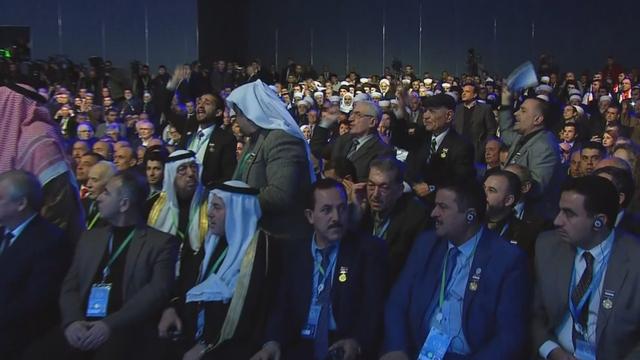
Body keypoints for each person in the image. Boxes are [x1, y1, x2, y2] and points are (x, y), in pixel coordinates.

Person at [381, 180, 530, 359]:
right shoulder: (427, 243)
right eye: (435, 205)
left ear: (470, 216)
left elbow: (509, 337)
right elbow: (398, 301)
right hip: (417, 351)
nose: (434, 213)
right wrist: (397, 348)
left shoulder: (507, 260)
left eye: (442, 207)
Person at [251, 179, 387, 360]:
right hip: (298, 344)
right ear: (310, 216)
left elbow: (373, 309)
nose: (336, 218)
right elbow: (281, 304)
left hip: (341, 346)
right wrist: (271, 343)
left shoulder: (367, 251)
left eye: (341, 208)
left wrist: (357, 341)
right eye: (326, 210)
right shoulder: (295, 252)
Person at [50, 170, 177, 359]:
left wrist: (109, 324)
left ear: (124, 204)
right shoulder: (89, 238)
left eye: (106, 193)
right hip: (81, 324)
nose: (99, 198)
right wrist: (72, 321)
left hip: (124, 329)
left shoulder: (160, 243)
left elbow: (156, 291)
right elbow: (70, 285)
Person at [157, 181, 274, 359]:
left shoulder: (259, 251)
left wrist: (206, 345)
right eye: (211, 206)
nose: (209, 213)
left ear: (237, 212)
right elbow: (187, 280)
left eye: (217, 207)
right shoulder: (213, 242)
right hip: (191, 337)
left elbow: (251, 315)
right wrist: (171, 308)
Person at [532, 176, 640, 359]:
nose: (557, 221)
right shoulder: (547, 246)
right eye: (559, 210)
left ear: (599, 221)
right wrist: (551, 350)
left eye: (569, 213)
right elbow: (534, 314)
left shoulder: (634, 260)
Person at [226, 79, 314, 239]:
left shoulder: (280, 139)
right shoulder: (254, 140)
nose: (237, 121)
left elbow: (281, 195)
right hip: (252, 231)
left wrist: (236, 201)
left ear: (249, 112)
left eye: (238, 115)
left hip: (277, 237)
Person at [0, 83, 84, 243]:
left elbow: (57, 201)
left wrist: (29, 241)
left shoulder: (40, 137)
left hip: (41, 242)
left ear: (11, 104)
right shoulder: (15, 137)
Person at [0, 170, 71, 360]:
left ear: (21, 203)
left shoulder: (49, 240)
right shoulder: (3, 231)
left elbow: (38, 299)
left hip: (22, 339)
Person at [356, 156, 431, 283]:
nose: (375, 195)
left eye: (384, 187)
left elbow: (404, 268)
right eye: (371, 185)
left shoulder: (416, 217)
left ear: (399, 190)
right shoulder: (361, 207)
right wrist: (356, 215)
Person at [148, 150, 209, 300]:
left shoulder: (211, 204)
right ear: (171, 175)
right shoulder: (153, 206)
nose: (190, 173)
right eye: (182, 169)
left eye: (193, 167)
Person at [499, 88, 563, 221]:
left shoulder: (544, 146)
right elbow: (505, 135)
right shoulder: (524, 136)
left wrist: (504, 187)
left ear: (538, 119)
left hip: (529, 220)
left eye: (523, 111)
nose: (516, 114)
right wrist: (505, 104)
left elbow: (537, 189)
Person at [405, 94, 476, 202]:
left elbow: (460, 182)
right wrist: (413, 186)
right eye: (425, 111)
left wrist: (432, 188)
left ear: (449, 116)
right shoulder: (421, 139)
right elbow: (408, 169)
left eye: (432, 111)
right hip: (412, 201)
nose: (425, 116)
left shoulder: (462, 146)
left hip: (441, 204)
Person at [311, 99, 394, 182]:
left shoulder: (382, 151)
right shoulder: (343, 140)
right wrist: (326, 122)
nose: (350, 118)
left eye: (358, 115)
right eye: (351, 114)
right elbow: (317, 150)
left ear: (372, 122)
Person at [181, 93, 237, 188]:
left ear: (218, 112)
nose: (200, 106)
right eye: (199, 102)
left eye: (207, 103)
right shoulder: (188, 133)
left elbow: (228, 176)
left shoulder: (226, 139)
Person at [483, 169, 539, 259]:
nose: (483, 194)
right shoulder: (469, 223)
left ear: (508, 200)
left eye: (491, 190)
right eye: (483, 188)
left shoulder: (524, 234)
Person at [453, 84, 498, 163]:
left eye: (467, 91)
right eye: (463, 91)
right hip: (458, 149)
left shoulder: (485, 109)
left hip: (477, 150)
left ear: (475, 94)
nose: (463, 93)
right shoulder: (457, 109)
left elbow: (491, 130)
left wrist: (483, 147)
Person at [85, 161, 117, 230]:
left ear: (110, 182)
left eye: (94, 180)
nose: (88, 185)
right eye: (89, 179)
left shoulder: (114, 212)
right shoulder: (83, 203)